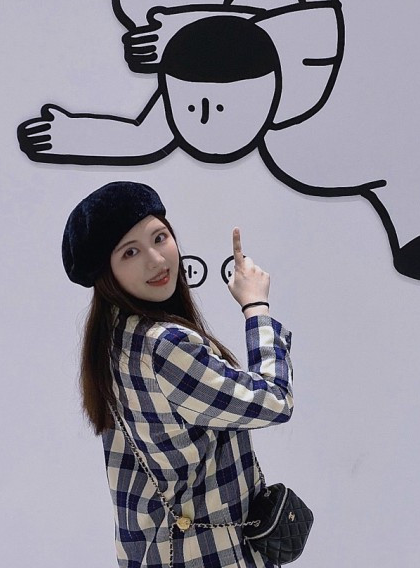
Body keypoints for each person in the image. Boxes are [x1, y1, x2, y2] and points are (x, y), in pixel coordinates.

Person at [62, 181, 293, 568]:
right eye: (130, 252)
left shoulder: (113, 338)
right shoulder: (166, 346)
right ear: (106, 270)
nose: (156, 260)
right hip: (211, 554)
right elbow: (275, 401)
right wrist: (256, 306)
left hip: (154, 551)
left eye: (160, 237)